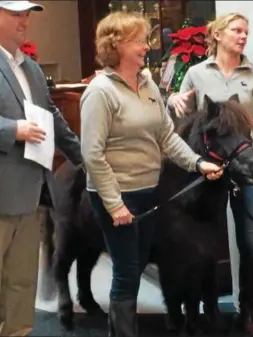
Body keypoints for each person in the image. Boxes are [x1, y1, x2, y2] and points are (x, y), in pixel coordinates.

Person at [80, 11, 224, 337]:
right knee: (128, 270)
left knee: (138, 263)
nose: (146, 46)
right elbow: (92, 153)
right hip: (116, 195)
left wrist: (197, 164)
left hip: (148, 192)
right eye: (138, 41)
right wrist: (115, 204)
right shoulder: (100, 92)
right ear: (115, 45)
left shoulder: (147, 85)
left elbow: (166, 137)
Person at [0, 1, 83, 336]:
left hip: (30, 194)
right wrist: (11, 130)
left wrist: (85, 158)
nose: (25, 21)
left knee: (20, 287)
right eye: (16, 13)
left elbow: (53, 119)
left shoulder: (30, 67)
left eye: (27, 14)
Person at [167, 12, 253, 336]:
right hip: (207, 175)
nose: (243, 36)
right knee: (206, 245)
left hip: (245, 168)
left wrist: (241, 141)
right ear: (217, 34)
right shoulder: (196, 74)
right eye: (236, 30)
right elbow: (179, 116)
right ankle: (206, 308)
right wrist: (173, 99)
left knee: (251, 244)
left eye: (246, 31)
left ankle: (248, 311)